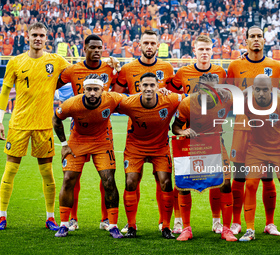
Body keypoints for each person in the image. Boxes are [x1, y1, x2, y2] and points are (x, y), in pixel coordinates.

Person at [0, 22, 70, 231]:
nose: (38, 38)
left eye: (41, 35)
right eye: (34, 35)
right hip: (19, 124)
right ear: (27, 37)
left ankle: (50, 218)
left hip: (43, 125)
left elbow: (76, 72)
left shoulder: (56, 61)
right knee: (10, 169)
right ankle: (2, 216)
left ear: (46, 38)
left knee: (47, 172)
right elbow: (4, 93)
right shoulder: (15, 61)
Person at [227, 26, 280, 236]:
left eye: (259, 36)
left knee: (267, 177)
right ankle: (236, 222)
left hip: (268, 130)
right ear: (246, 41)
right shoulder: (235, 66)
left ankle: (269, 223)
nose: (255, 40)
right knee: (240, 177)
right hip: (243, 128)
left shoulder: (276, 67)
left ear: (264, 40)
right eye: (251, 36)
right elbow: (229, 97)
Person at [57, 34, 120, 231]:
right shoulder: (73, 69)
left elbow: (122, 86)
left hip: (103, 132)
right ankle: (71, 219)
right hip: (78, 130)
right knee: (72, 178)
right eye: (93, 47)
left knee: (107, 177)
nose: (97, 51)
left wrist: (118, 67)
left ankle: (106, 220)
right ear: (84, 48)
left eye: (100, 48)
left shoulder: (110, 67)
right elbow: (53, 84)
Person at [113, 30, 174, 233]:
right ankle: (130, 224)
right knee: (132, 179)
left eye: (152, 43)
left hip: (160, 135)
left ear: (158, 45)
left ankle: (163, 223)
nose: (149, 46)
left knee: (163, 180)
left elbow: (175, 96)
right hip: (135, 133)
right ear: (139, 44)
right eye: (145, 42)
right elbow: (116, 96)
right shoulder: (128, 68)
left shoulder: (167, 68)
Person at [169, 35, 226, 234]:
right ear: (195, 50)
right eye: (200, 49)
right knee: (182, 180)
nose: (204, 52)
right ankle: (179, 221)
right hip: (188, 136)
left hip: (213, 137)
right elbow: (172, 95)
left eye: (207, 49)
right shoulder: (183, 72)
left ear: (212, 51)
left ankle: (217, 221)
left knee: (219, 179)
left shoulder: (220, 72)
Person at [117, 72, 184, 239]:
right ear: (139, 87)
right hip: (135, 148)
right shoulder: (129, 102)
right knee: (131, 181)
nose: (148, 88)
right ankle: (131, 226)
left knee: (166, 182)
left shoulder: (170, 99)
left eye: (152, 85)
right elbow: (107, 102)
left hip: (160, 147)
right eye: (145, 85)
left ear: (158, 86)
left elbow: (189, 100)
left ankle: (166, 227)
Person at [172, 73, 237, 242]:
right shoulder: (187, 103)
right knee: (183, 185)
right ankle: (186, 228)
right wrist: (182, 131)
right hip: (192, 147)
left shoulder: (226, 99)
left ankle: (227, 229)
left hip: (215, 145)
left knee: (226, 183)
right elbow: (175, 127)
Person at [238, 74, 280, 242]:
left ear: (271, 89)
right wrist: (242, 94)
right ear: (253, 90)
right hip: (256, 149)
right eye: (257, 89)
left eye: (265, 89)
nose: (261, 93)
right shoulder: (246, 100)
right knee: (250, 184)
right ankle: (249, 230)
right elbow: (225, 101)